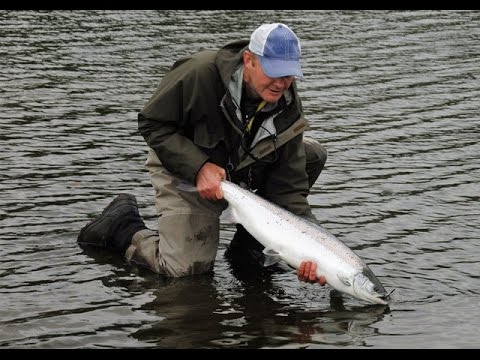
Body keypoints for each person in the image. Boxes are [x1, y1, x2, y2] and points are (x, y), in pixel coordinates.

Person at [77, 23, 328, 287]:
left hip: (237, 169)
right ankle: (121, 227)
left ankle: (251, 246)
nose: (281, 84)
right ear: (249, 60)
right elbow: (152, 124)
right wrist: (198, 167)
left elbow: (289, 190)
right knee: (186, 270)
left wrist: (306, 253)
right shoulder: (199, 73)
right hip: (180, 163)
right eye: (273, 73)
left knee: (311, 155)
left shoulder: (287, 102)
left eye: (288, 75)